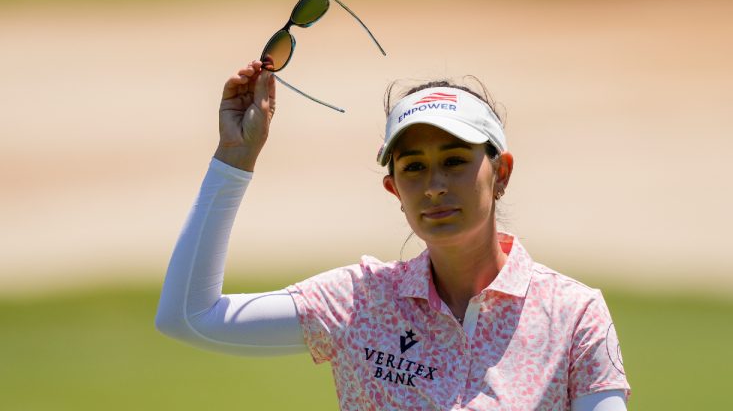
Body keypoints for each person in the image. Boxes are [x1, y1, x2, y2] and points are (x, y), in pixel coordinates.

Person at [156, 60, 631, 410]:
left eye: (454, 161)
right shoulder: (359, 302)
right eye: (414, 168)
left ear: (501, 173)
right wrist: (234, 159)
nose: (435, 186)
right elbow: (188, 316)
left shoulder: (573, 315)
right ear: (394, 188)